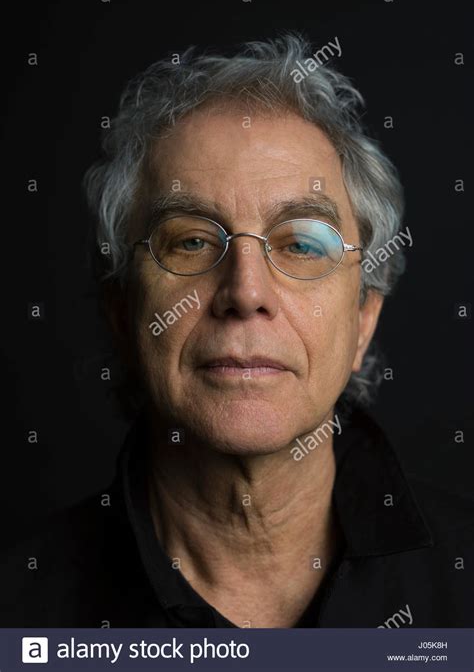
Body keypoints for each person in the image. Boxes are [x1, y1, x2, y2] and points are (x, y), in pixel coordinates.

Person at [1, 33, 473, 628]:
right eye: (192, 241)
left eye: (303, 243)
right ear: (121, 310)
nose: (246, 292)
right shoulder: (19, 615)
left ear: (362, 321)